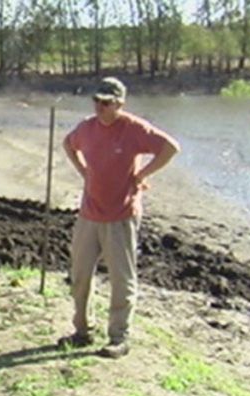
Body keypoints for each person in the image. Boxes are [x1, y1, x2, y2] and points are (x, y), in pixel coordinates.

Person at [61, 77, 181, 358]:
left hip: (121, 215)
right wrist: (84, 172)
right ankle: (82, 331)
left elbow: (171, 147)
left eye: (106, 103)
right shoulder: (86, 128)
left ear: (119, 104)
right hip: (89, 214)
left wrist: (141, 175)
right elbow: (69, 144)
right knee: (79, 275)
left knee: (121, 278)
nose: (100, 107)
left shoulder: (133, 128)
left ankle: (118, 337)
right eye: (97, 101)